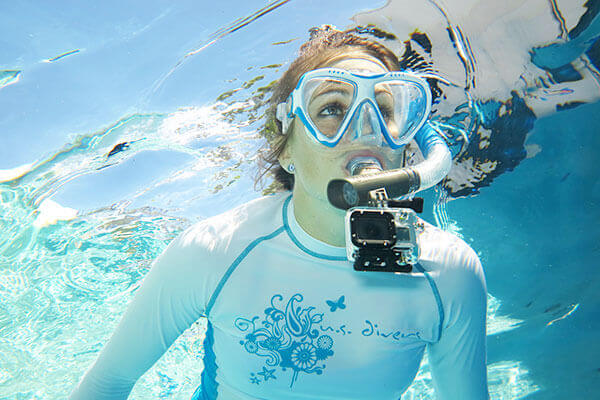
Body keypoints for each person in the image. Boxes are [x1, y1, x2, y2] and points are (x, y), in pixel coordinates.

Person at [70, 26, 488, 400]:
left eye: (386, 109)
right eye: (331, 109)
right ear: (286, 147)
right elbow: (106, 385)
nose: (366, 128)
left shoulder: (449, 271)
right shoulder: (216, 251)